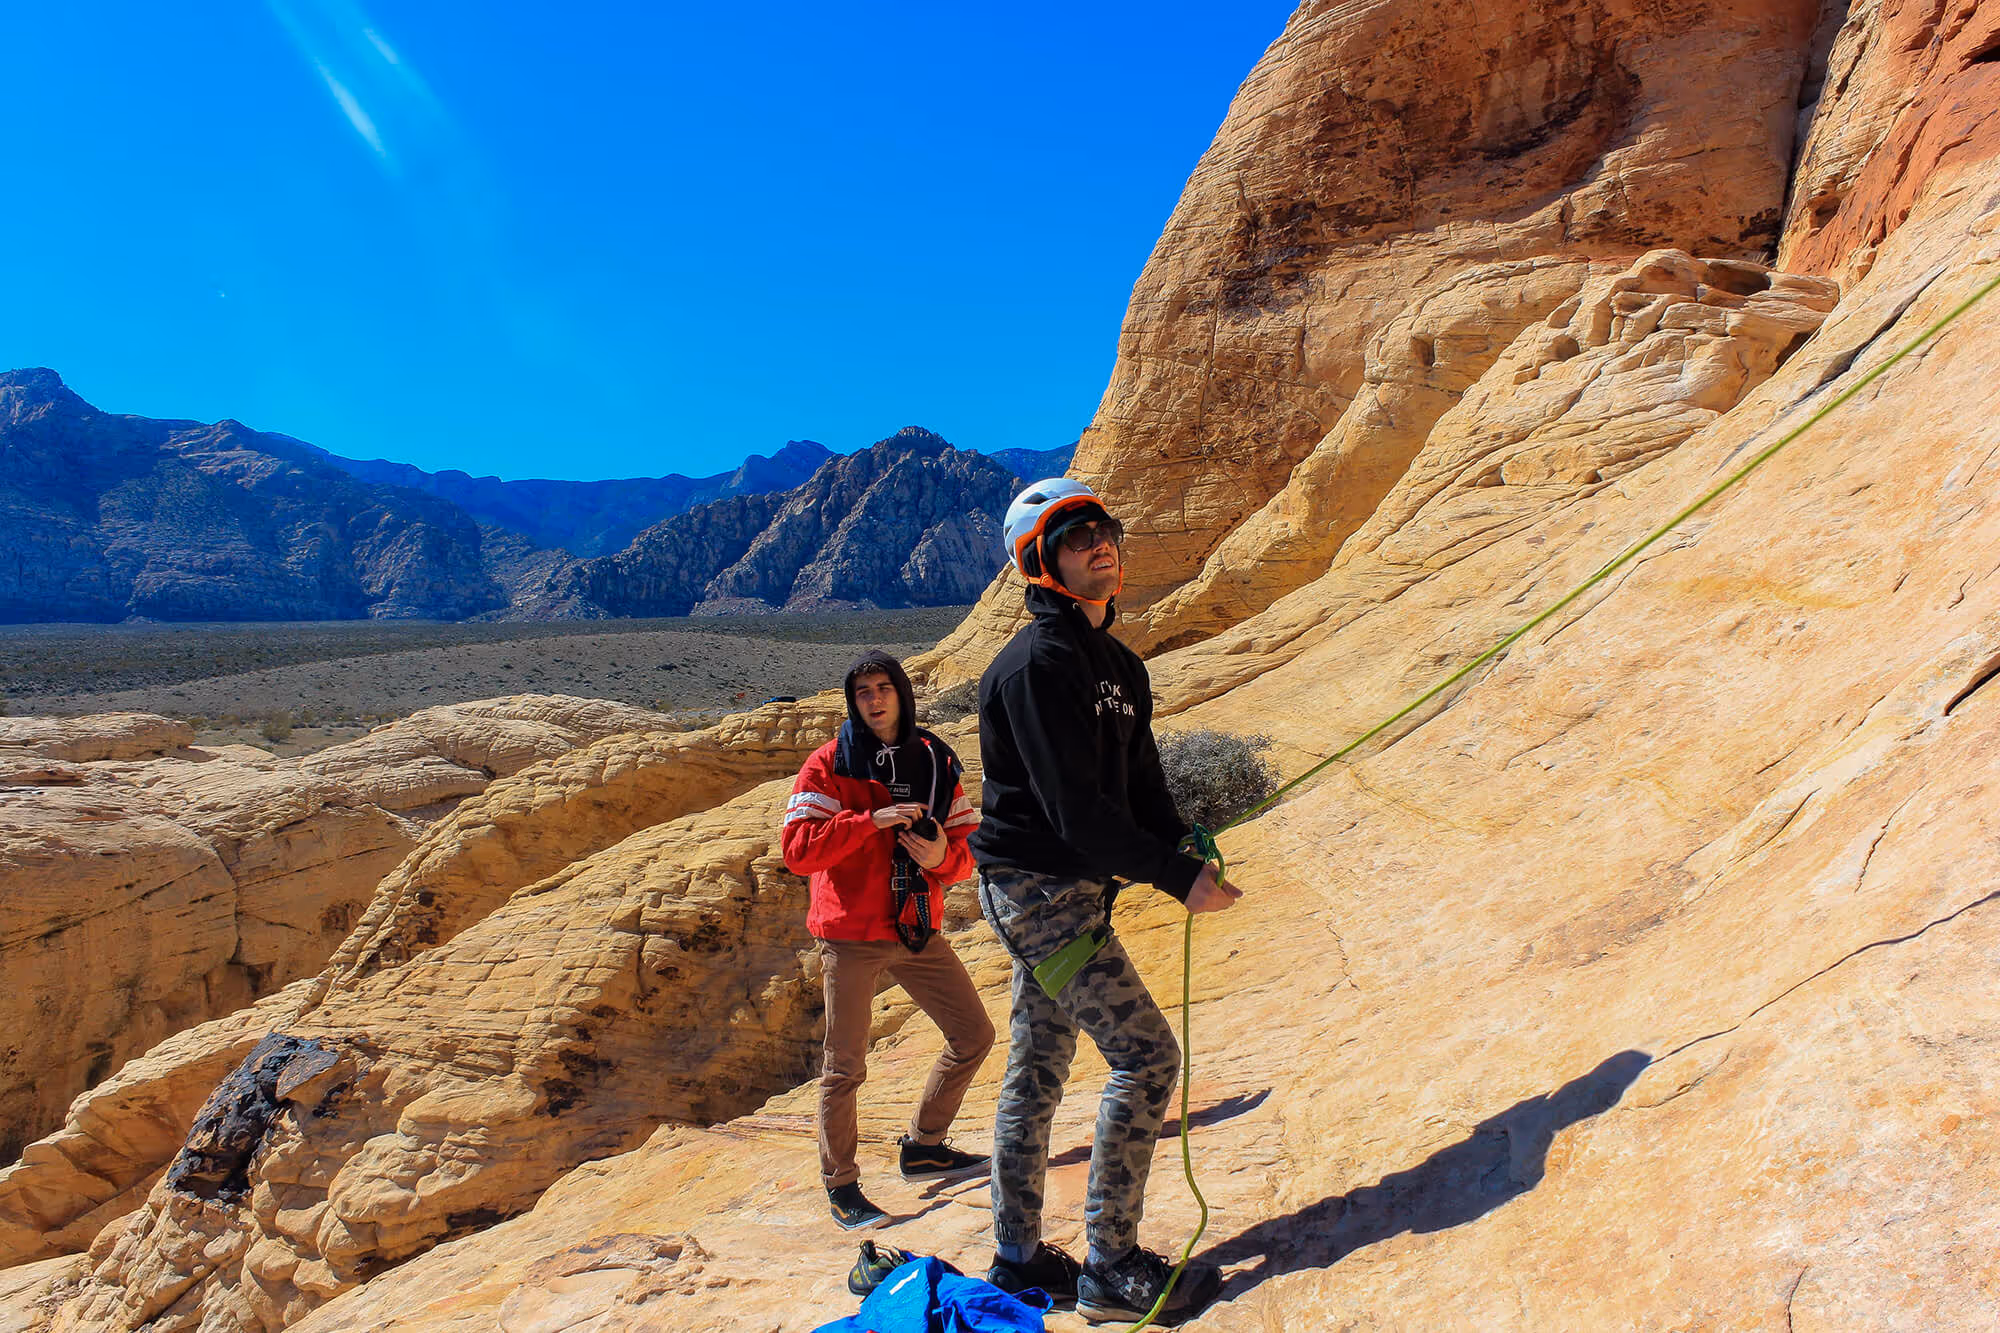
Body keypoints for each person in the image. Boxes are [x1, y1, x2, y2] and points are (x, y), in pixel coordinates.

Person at [971, 479, 1243, 1326]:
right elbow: (1076, 813)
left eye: (1105, 529)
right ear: (1039, 562)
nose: (1100, 542)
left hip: (1067, 888)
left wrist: (1181, 838)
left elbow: (1141, 787)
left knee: (1037, 1066)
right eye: (1076, 534)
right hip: (1037, 894)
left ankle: (1017, 1261)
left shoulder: (1120, 667)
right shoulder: (1034, 666)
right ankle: (1110, 1263)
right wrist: (1174, 877)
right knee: (1147, 1057)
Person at [783, 650, 996, 1231]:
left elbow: (967, 843)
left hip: (914, 926)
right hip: (851, 935)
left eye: (883, 688)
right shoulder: (830, 765)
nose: (874, 700)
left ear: (901, 692)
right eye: (862, 692)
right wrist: (868, 822)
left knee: (974, 1033)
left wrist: (943, 859)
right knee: (844, 1066)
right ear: (852, 702)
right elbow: (798, 850)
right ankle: (842, 1186)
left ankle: (925, 1145)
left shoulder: (934, 759)